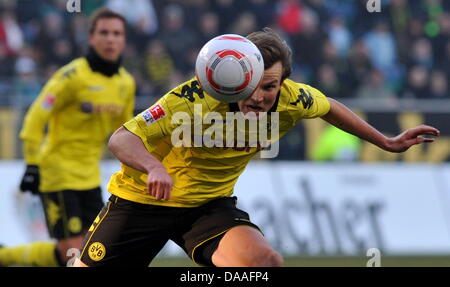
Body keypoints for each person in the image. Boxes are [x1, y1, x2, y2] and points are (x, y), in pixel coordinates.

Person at [74, 28, 439, 267]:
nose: (261, 97)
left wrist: (387, 142)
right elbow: (121, 138)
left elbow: (329, 106)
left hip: (206, 207)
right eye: (253, 86)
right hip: (142, 202)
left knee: (265, 264)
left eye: (271, 86)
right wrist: (153, 166)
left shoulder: (292, 99)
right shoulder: (193, 97)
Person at [0, 8, 136, 267]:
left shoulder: (126, 84)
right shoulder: (71, 76)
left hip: (90, 177)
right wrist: (32, 164)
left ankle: (4, 256)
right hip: (57, 174)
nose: (110, 39)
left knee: (89, 252)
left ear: (124, 40)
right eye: (104, 33)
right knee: (73, 253)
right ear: (91, 38)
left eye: (117, 33)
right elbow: (34, 119)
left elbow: (124, 131)